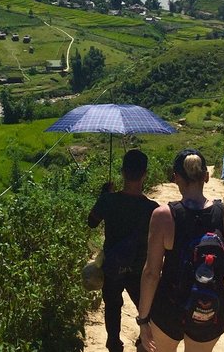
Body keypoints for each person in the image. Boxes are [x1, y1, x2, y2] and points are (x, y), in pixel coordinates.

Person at [137, 148, 224, 352]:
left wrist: (143, 319)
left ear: (176, 177)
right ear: (206, 176)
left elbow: (151, 273)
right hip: (208, 309)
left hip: (169, 308)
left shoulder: (163, 215)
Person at [88, 149, 159, 352]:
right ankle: (142, 343)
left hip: (112, 265)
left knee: (112, 306)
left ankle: (114, 343)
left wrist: (103, 196)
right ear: (145, 174)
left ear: (122, 172)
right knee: (146, 309)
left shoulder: (109, 200)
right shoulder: (152, 208)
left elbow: (92, 222)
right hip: (139, 268)